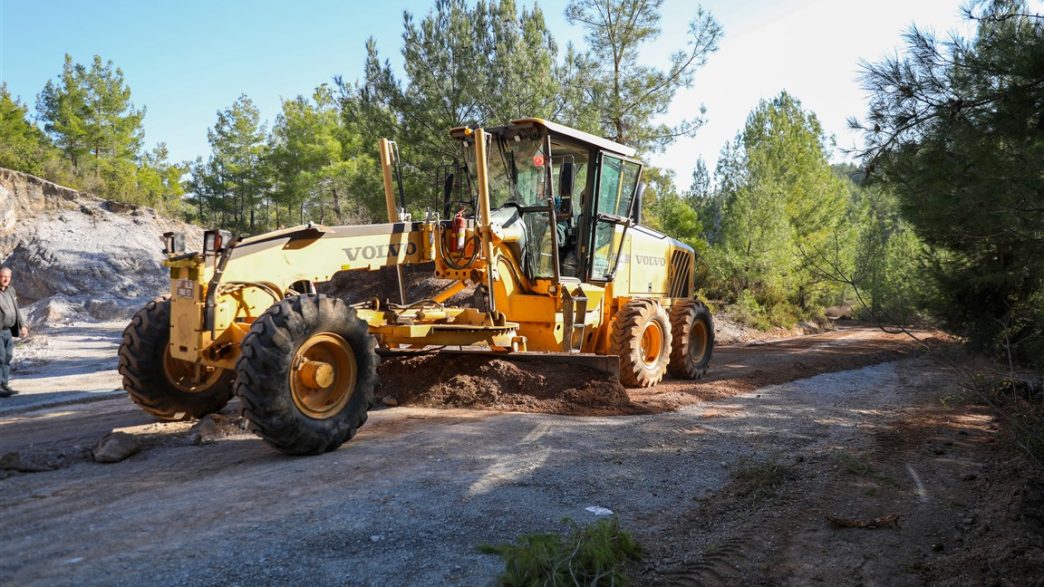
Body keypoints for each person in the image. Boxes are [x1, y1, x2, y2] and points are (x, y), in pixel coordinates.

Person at [0, 266, 28, 397]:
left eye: (8, 277)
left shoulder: (11, 290)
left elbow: (16, 309)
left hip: (8, 331)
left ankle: (4, 385)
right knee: (0, 358)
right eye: (3, 277)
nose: (6, 279)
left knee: (7, 357)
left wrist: (22, 325)